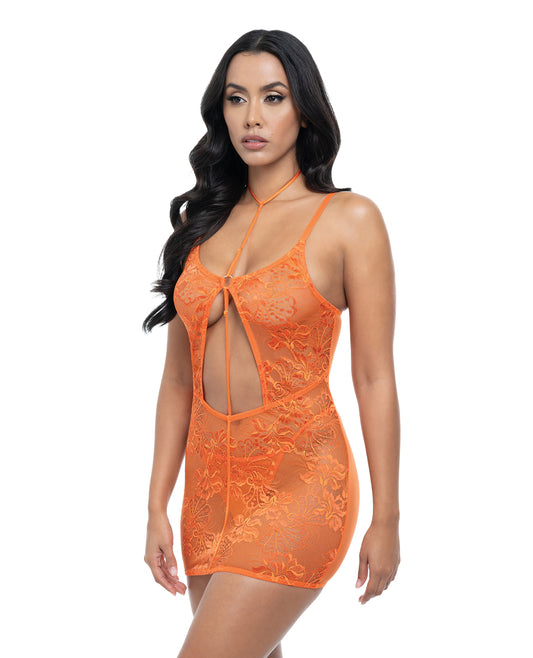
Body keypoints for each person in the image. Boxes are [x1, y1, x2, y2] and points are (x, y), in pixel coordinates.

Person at [142, 28, 401, 658]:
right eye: (236, 98)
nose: (252, 117)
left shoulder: (349, 221)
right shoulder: (200, 223)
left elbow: (374, 378)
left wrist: (387, 517)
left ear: (304, 110)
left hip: (301, 485)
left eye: (273, 97)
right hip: (208, 494)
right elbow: (178, 380)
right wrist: (156, 506)